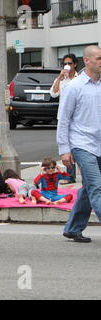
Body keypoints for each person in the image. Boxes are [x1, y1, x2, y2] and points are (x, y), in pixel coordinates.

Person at [57, 45, 101, 243]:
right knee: (97, 187)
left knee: (88, 188)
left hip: (99, 144)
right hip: (82, 144)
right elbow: (63, 119)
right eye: (99, 58)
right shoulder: (75, 86)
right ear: (88, 61)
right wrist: (64, 149)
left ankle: (73, 228)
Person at [50, 53, 79, 184]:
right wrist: (60, 78)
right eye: (65, 63)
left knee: (79, 145)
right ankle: (70, 176)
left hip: (78, 116)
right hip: (64, 116)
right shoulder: (63, 79)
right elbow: (53, 93)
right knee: (67, 146)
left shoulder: (80, 78)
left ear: (75, 64)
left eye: (70, 63)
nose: (67, 66)